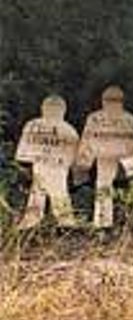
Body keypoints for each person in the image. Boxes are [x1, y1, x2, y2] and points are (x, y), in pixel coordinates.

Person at [76, 86, 133, 229]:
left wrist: (83, 163)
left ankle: (104, 224)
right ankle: (128, 219)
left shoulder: (95, 118)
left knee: (105, 186)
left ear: (103, 101)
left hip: (107, 157)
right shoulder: (129, 118)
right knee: (131, 185)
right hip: (124, 158)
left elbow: (87, 140)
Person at [15, 95, 79, 229]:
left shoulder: (32, 125)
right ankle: (66, 227)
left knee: (38, 195)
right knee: (59, 195)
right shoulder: (69, 129)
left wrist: (24, 169)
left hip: (41, 166)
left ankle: (29, 226)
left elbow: (22, 154)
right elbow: (74, 159)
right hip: (58, 168)